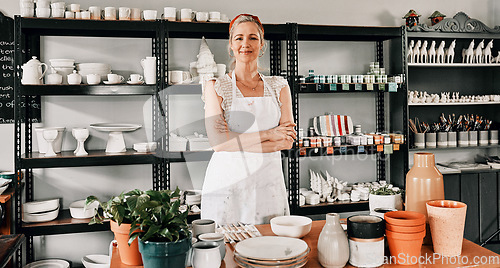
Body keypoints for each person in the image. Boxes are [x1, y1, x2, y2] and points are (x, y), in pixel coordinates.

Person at [201, 14, 296, 225]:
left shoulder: (279, 87)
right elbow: (218, 142)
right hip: (228, 182)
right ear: (231, 45)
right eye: (239, 38)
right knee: (227, 249)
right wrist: (270, 134)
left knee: (270, 247)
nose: (246, 44)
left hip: (268, 182)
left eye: (253, 38)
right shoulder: (217, 87)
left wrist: (235, 143)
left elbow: (287, 140)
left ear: (262, 45)